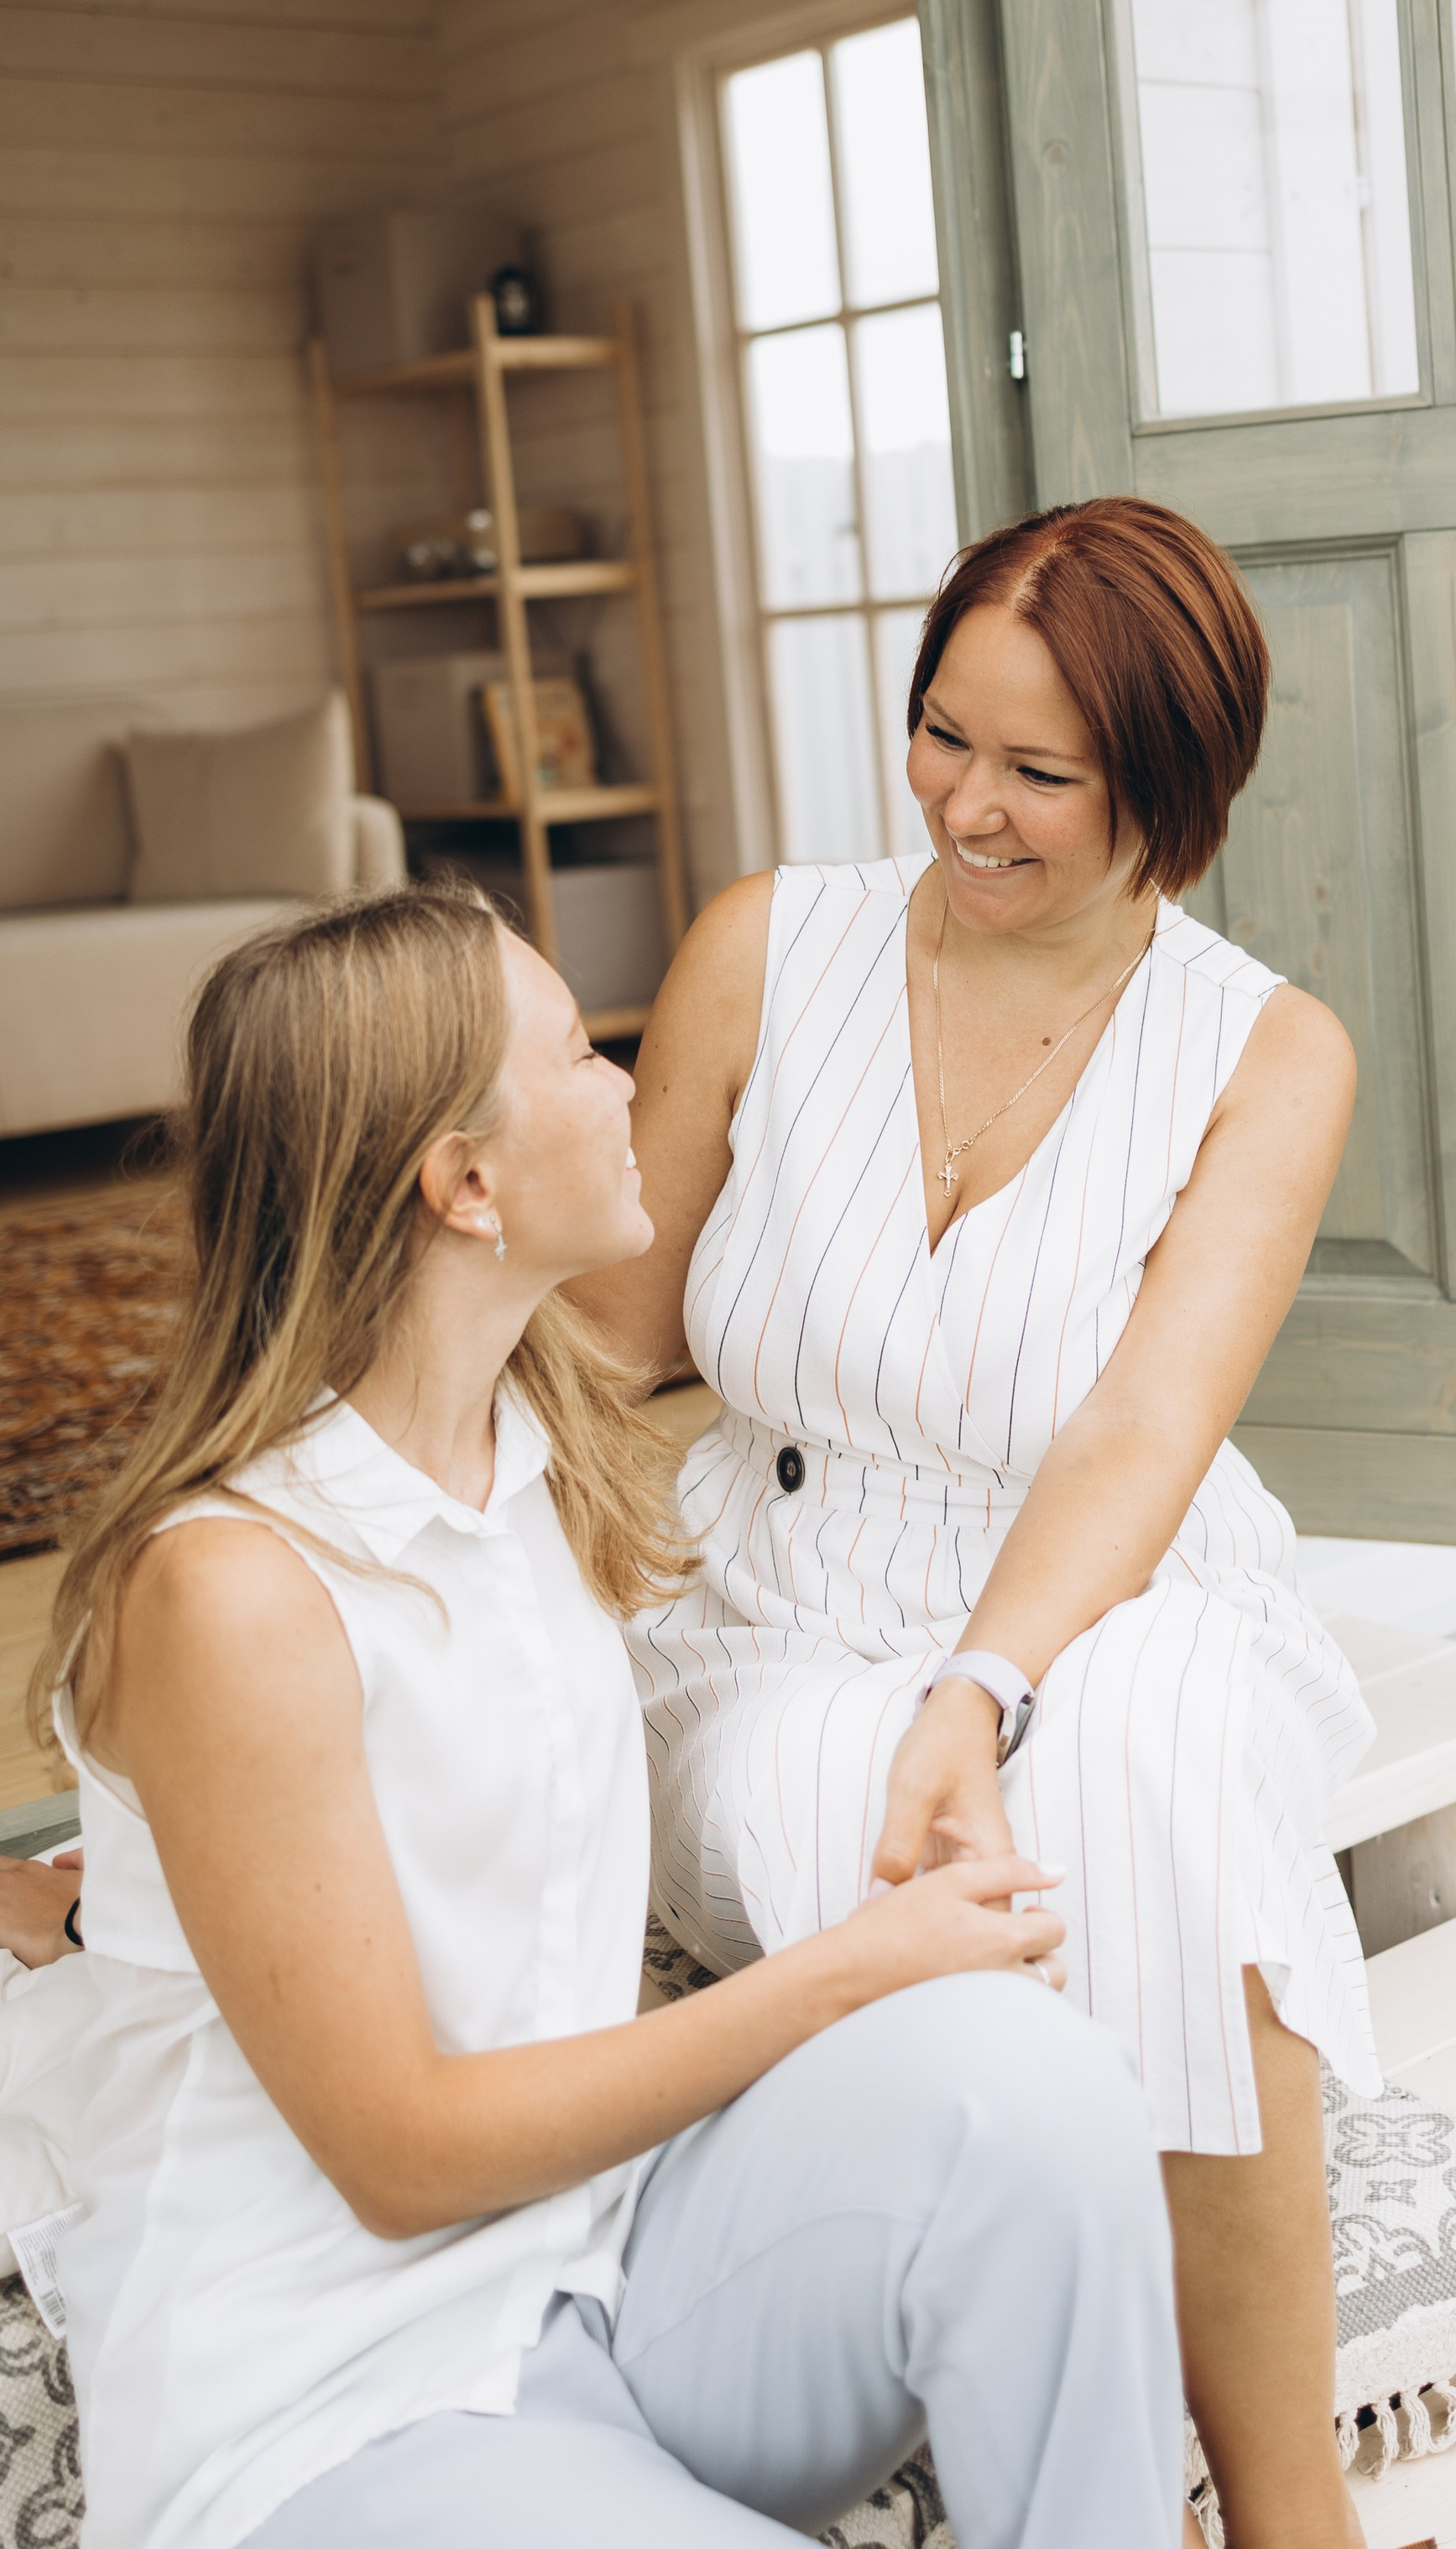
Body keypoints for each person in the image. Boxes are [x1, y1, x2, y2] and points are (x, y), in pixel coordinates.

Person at [29, 885, 1184, 2549]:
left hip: (607, 2272)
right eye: (579, 1050)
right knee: (924, 2008)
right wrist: (850, 1966)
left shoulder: (529, 1453)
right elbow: (400, 2158)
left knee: (1033, 2091)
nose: (631, 1077)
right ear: (465, 1182)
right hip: (329, 2404)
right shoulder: (232, 1590)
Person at [581, 495, 1376, 2549]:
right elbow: (602, 1330)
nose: (968, 807)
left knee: (1164, 1783)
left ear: (1176, 793)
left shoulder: (1265, 1053)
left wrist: (987, 1681)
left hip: (1116, 1588)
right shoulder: (766, 946)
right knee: (924, 1869)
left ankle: (1292, 2524)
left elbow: (1141, 1427)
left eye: (1040, 773)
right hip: (771, 1603)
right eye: (943, 735)